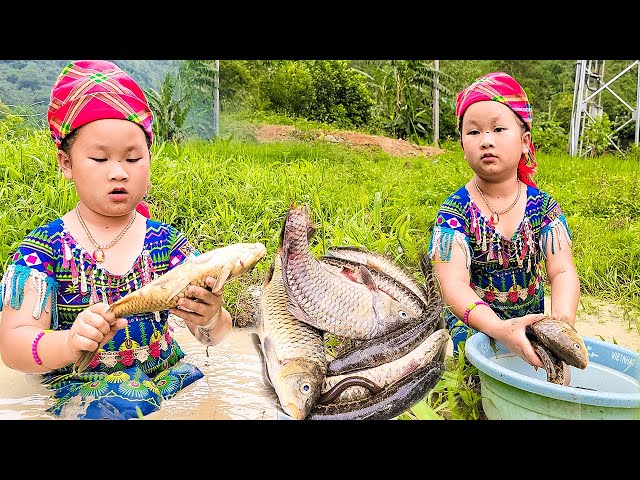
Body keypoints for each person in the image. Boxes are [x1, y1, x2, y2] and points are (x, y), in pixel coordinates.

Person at [0, 60, 232, 419]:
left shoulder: (167, 245)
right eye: (99, 158)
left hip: (171, 380)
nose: (119, 172)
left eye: (133, 157)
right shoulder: (44, 251)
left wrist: (210, 319)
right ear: (66, 163)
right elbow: (13, 346)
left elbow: (215, 337)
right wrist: (68, 342)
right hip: (82, 392)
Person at [428, 72, 580, 369]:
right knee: (476, 390)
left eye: (498, 129)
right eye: (473, 132)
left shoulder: (545, 208)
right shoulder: (454, 213)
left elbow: (562, 271)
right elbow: (452, 284)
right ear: (462, 144)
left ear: (525, 142)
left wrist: (561, 325)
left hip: (530, 326)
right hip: (475, 329)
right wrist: (497, 328)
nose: (486, 141)